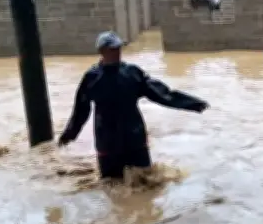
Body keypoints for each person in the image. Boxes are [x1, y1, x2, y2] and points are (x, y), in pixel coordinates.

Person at [58, 31, 209, 179]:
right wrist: (69, 135)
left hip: (134, 139)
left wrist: (193, 104)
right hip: (108, 143)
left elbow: (162, 93)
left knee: (146, 182)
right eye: (112, 49)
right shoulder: (91, 78)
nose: (117, 52)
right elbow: (81, 111)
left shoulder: (132, 73)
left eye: (118, 48)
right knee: (112, 187)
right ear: (102, 51)